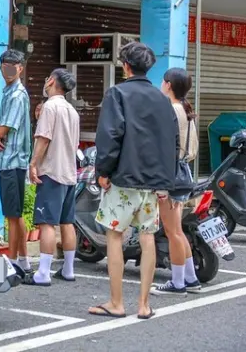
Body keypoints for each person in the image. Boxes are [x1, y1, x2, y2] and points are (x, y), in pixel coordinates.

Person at [88, 42, 179, 320]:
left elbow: (110, 136)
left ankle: (116, 303)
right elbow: (172, 142)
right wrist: (165, 180)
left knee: (114, 235)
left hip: (123, 179)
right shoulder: (162, 99)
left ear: (125, 66)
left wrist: (102, 171)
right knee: (147, 237)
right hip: (152, 184)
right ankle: (144, 304)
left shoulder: (117, 93)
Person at [25, 68, 80, 286]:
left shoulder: (50, 107)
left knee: (46, 222)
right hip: (69, 173)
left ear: (51, 81)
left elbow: (43, 139)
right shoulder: (72, 111)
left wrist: (33, 163)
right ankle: (68, 269)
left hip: (52, 171)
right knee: (67, 222)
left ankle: (44, 273)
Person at [152, 67, 201, 296]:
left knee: (173, 233)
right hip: (183, 173)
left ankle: (178, 283)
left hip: (169, 176)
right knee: (178, 231)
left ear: (168, 84)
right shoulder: (185, 109)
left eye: (163, 82)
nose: (161, 85)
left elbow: (164, 149)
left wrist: (160, 185)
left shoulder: (170, 110)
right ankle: (190, 279)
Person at [0, 49, 32, 274]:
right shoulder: (10, 92)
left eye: (13, 66)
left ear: (21, 68)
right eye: (5, 66)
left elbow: (2, 129)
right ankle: (22, 261)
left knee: (12, 216)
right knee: (14, 215)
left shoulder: (16, 95)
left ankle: (12, 261)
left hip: (12, 161)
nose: (8, 70)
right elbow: (3, 131)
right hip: (10, 160)